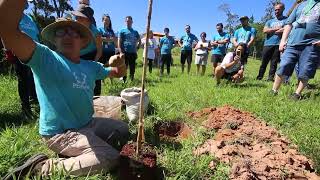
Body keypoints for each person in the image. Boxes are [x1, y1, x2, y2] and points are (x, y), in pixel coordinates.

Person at [0, 0, 129, 178]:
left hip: (88, 123)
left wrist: (120, 63)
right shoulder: (44, 57)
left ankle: (81, 151)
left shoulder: (90, 66)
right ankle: (41, 167)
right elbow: (8, 31)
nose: (68, 35)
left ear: (83, 42)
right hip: (61, 133)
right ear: (54, 39)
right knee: (110, 157)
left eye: (74, 33)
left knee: (123, 129)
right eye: (62, 31)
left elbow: (117, 72)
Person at [271, 0, 320, 100]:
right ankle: (274, 90)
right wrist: (283, 41)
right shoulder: (300, 5)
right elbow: (289, 24)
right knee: (284, 65)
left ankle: (297, 94)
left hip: (312, 44)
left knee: (306, 70)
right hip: (293, 42)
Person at [4, 1, 39, 119]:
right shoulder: (12, 16)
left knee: (33, 78)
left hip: (34, 52)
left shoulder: (28, 18)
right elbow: (5, 34)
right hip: (19, 52)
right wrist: (8, 51)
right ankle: (26, 109)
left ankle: (35, 101)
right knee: (23, 80)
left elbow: (36, 34)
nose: (25, 4)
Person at [72, 5, 103, 96]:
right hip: (78, 57)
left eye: (80, 18)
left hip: (92, 56)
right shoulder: (73, 28)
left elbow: (99, 51)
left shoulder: (95, 32)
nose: (77, 20)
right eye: (76, 17)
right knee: (79, 82)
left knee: (95, 79)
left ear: (89, 21)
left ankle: (96, 100)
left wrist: (93, 64)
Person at [257, 3, 287, 81]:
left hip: (278, 44)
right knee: (263, 62)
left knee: (274, 63)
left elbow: (286, 29)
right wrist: (277, 29)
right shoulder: (270, 21)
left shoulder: (286, 20)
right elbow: (265, 30)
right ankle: (259, 77)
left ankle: (270, 78)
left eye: (278, 9)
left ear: (283, 9)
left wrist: (278, 30)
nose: (276, 11)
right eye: (275, 10)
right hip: (267, 44)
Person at [97, 14, 117, 94]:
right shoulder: (100, 30)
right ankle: (103, 81)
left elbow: (114, 39)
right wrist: (108, 40)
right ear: (102, 21)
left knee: (111, 66)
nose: (107, 22)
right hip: (103, 51)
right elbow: (99, 39)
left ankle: (111, 81)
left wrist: (109, 40)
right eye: (105, 20)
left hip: (111, 51)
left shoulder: (111, 31)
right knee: (103, 66)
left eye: (108, 20)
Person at [118, 16, 141, 82]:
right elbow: (119, 41)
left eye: (130, 21)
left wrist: (137, 48)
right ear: (125, 22)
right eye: (127, 21)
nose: (128, 22)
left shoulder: (135, 32)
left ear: (132, 22)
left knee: (132, 67)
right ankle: (124, 80)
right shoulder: (122, 31)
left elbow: (139, 40)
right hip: (125, 52)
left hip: (133, 52)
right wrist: (120, 52)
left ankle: (132, 80)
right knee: (124, 67)